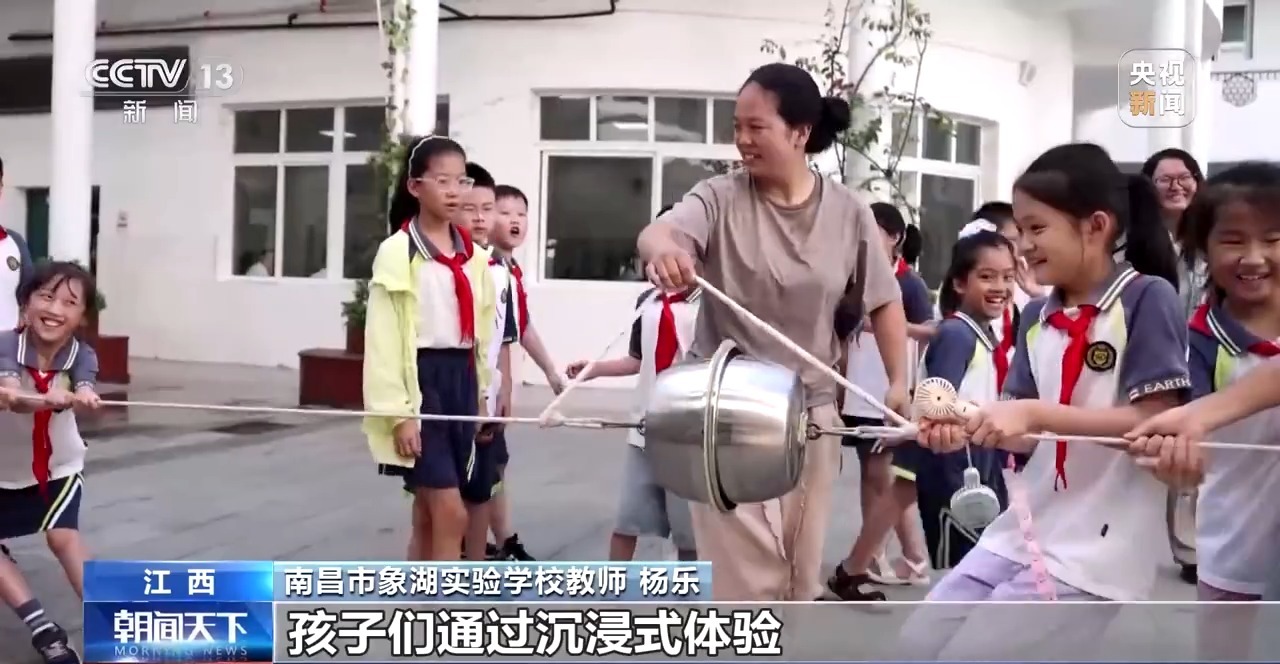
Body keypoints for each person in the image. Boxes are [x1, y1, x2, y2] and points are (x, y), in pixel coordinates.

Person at [896, 142, 1192, 660]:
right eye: (1020, 231)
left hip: (1095, 547)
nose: (1023, 248)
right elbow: (1025, 436)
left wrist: (1033, 413)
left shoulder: (1146, 298)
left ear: (1095, 226)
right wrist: (965, 428)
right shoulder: (1036, 316)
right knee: (915, 643)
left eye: (1036, 229)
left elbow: (1156, 421)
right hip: (1024, 527)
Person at [637, 62, 910, 601]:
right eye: (737, 126)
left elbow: (884, 300)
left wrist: (899, 381)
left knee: (799, 576)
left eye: (756, 127)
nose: (742, 139)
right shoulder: (718, 197)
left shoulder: (849, 212)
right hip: (723, 417)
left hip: (810, 415)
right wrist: (663, 250)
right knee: (743, 582)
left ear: (800, 132)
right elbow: (658, 232)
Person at [830, 230, 1017, 602]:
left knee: (898, 495)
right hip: (950, 445)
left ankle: (852, 568)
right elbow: (939, 397)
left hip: (954, 441)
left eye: (1008, 277)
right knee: (966, 523)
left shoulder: (975, 332)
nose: (1000, 286)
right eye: (987, 276)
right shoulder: (958, 334)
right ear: (959, 283)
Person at [1157, 162, 1280, 660]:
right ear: (1203, 248)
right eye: (1232, 240)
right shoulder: (1195, 342)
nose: (1254, 257)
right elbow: (1187, 448)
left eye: (1273, 239)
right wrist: (1178, 464)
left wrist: (1202, 416)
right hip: (1234, 538)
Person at [363, 135, 498, 561]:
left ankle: (418, 596)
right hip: (420, 384)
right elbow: (382, 339)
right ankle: (446, 601)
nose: (455, 191)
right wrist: (398, 413)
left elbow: (481, 335)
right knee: (451, 514)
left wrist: (482, 394)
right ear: (415, 186)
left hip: (461, 381)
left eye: (462, 181)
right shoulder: (396, 253)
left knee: (428, 512)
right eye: (443, 181)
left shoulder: (475, 257)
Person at [564, 240, 700, 562]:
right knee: (627, 520)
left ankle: (688, 590)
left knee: (690, 534)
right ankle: (613, 585)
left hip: (689, 430)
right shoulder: (647, 302)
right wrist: (594, 369)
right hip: (645, 426)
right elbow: (639, 359)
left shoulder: (709, 304)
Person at [0, 261, 104, 664]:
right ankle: (44, 629)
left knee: (63, 537)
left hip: (58, 467)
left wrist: (85, 394)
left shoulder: (82, 354)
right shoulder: (5, 345)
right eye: (45, 297)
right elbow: (12, 395)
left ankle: (117, 623)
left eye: (69, 302)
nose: (55, 309)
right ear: (25, 303)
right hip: (2, 470)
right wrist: (45, 399)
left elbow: (84, 382)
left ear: (82, 317)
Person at [834, 202, 932, 592]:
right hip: (859, 391)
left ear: (895, 238)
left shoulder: (908, 283)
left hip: (889, 393)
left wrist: (886, 324)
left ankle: (900, 555)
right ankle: (888, 554)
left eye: (874, 231)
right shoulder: (852, 278)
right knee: (872, 475)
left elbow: (931, 330)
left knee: (886, 476)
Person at [482, 184, 562, 561]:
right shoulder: (484, 268)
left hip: (495, 385)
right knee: (482, 468)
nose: (514, 220)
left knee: (494, 465)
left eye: (521, 214)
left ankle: (500, 541)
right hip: (479, 388)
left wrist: (551, 372)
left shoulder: (510, 270)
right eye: (504, 212)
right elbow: (493, 337)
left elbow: (520, 326)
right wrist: (502, 387)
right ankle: (485, 546)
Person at [1143, 148, 1207, 585]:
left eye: (1184, 177)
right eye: (1164, 179)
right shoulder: (1139, 243)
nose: (1175, 186)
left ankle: (1194, 550)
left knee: (1196, 452)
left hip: (1204, 354)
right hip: (1156, 360)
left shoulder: (1210, 237)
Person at [454, 161, 503, 562]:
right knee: (439, 507)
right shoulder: (448, 268)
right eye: (470, 209)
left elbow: (502, 340)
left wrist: (497, 396)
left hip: (485, 398)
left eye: (488, 209)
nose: (481, 218)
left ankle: (473, 571)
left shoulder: (497, 270)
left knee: (480, 494)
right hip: (452, 399)